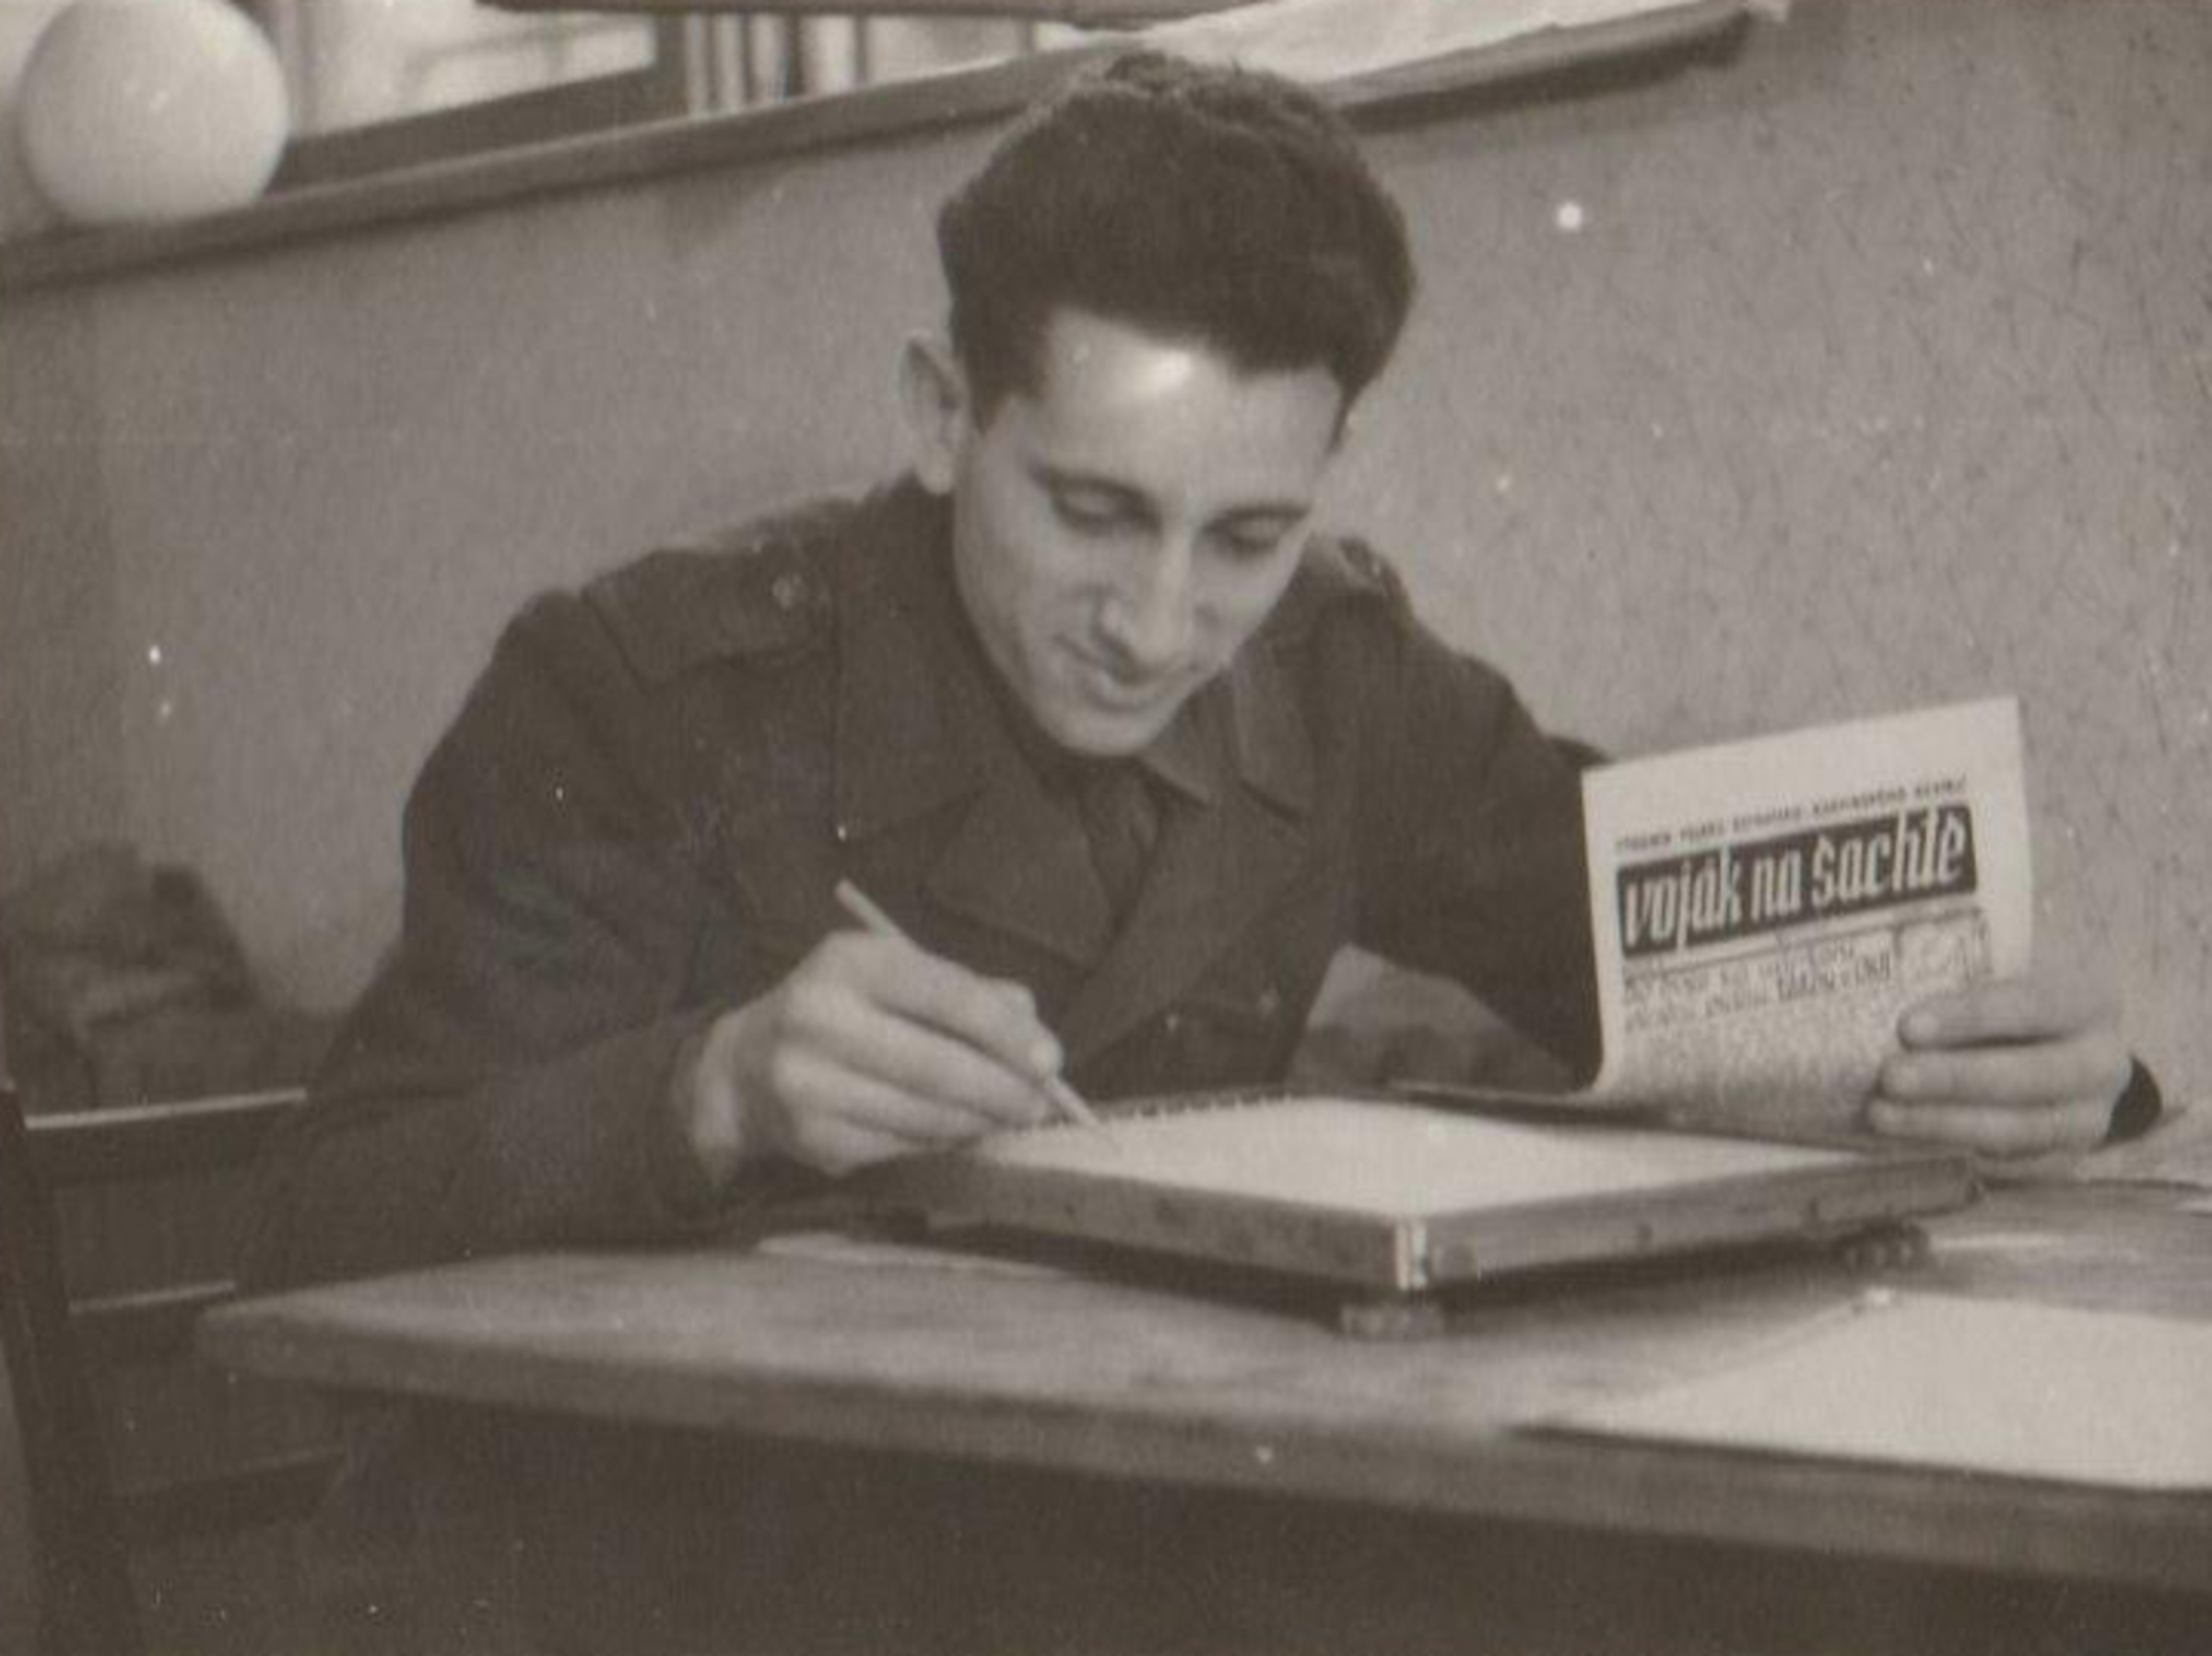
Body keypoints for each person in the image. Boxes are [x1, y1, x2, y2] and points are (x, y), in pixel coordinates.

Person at [240, 51, 2152, 1291]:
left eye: (1246, 536)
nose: (1157, 622)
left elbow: (1677, 959)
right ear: (941, 413)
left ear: (1326, 474)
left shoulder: (1342, 679)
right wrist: (708, 1088)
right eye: (1090, 512)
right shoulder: (636, 688)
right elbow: (323, 1215)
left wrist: (2046, 1073)